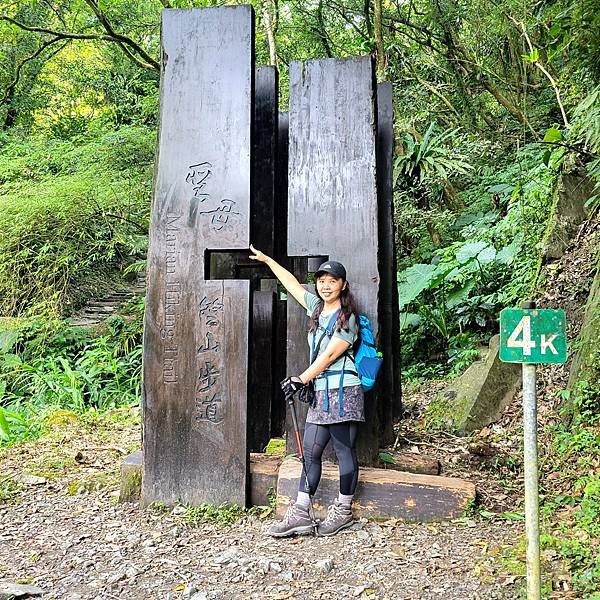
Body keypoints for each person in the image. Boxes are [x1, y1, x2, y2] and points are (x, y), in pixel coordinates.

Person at [249, 244, 364, 537]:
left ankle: (343, 510)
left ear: (343, 285)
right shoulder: (316, 308)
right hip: (321, 395)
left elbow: (328, 356)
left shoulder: (347, 318)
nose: (326, 285)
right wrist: (267, 260)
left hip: (343, 392)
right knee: (310, 454)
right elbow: (290, 282)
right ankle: (301, 511)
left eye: (332, 281)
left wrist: (301, 378)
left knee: (343, 452)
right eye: (322, 281)